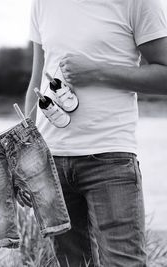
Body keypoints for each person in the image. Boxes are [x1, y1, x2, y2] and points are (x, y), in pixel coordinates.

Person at [24, 0, 167, 266]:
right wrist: (25, 155)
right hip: (50, 162)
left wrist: (98, 73)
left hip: (110, 159)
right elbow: (37, 82)